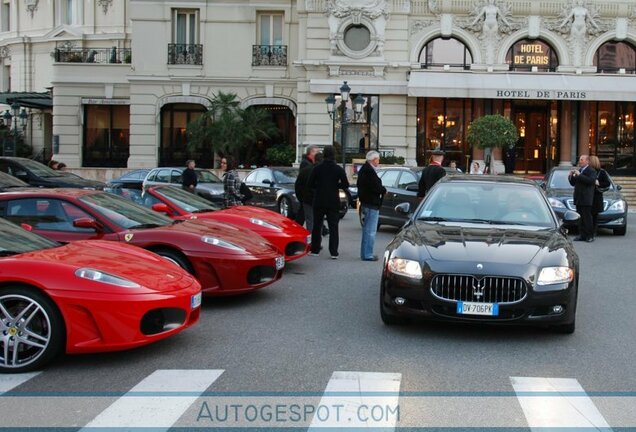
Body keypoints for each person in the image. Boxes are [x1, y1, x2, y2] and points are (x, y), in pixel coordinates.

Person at [308, 146, 349, 259]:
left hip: (319, 200)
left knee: (317, 225)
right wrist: (336, 185)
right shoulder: (338, 169)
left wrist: (319, 187)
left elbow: (310, 184)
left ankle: (315, 249)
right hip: (333, 201)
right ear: (334, 155)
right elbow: (346, 184)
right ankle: (334, 252)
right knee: (333, 227)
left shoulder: (317, 168)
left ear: (324, 154)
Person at [357, 151, 386, 261]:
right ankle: (368, 254)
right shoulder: (369, 171)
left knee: (367, 230)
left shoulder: (364, 170)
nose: (378, 161)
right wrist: (383, 190)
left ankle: (365, 253)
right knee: (370, 231)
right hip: (371, 203)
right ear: (373, 160)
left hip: (366, 202)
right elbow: (376, 187)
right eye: (378, 159)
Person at [568, 155, 597, 242]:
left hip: (586, 198)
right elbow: (573, 183)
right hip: (578, 198)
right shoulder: (580, 170)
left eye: (582, 160)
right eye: (579, 160)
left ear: (587, 161)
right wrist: (571, 176)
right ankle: (582, 235)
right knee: (580, 218)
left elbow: (591, 181)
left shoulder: (591, 171)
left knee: (587, 218)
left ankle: (590, 235)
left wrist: (579, 175)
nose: (580, 161)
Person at [295, 152, 323, 237]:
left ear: (314, 160)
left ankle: (312, 241)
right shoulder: (323, 171)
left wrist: (301, 198)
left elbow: (298, 186)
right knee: (319, 221)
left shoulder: (305, 170)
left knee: (310, 221)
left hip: (307, 200)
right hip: (320, 199)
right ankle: (317, 241)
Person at [589, 155, 611, 237]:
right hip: (588, 195)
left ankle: (594, 231)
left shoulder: (601, 172)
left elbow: (607, 183)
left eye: (589, 161)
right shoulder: (587, 171)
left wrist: (599, 183)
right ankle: (588, 231)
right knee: (588, 215)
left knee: (594, 215)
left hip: (596, 196)